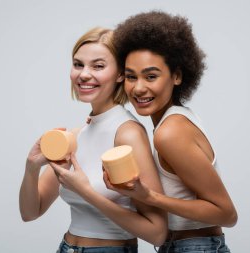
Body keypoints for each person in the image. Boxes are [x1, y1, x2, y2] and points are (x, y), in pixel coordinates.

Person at [19, 27, 167, 253]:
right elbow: (30, 212)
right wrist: (31, 168)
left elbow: (157, 233)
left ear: (120, 73)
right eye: (78, 64)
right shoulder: (78, 135)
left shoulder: (127, 133)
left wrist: (85, 190)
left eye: (98, 66)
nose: (84, 74)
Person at [105, 11, 238, 253]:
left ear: (176, 76)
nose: (138, 88)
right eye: (131, 77)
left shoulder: (170, 133)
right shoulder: (175, 119)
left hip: (194, 247)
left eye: (151, 76)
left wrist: (150, 197)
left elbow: (226, 214)